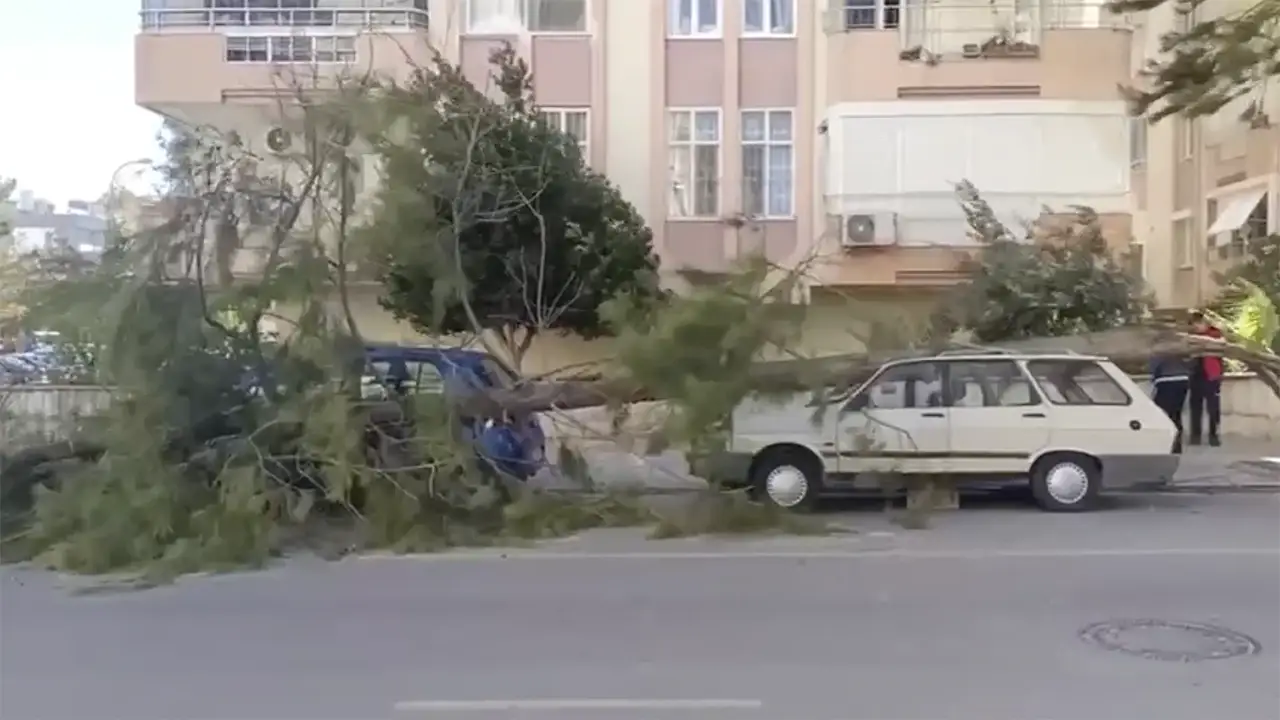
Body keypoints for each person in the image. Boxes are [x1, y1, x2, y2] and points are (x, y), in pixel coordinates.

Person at [1187, 310, 1224, 446]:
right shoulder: (1190, 337)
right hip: (1195, 373)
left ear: (1204, 322)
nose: (1196, 326)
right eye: (1194, 324)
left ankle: (1213, 435)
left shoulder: (1214, 334)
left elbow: (1221, 349)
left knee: (1213, 408)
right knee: (1195, 406)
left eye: (1198, 323)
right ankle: (1195, 435)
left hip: (1211, 375)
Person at [1149, 351, 1190, 453]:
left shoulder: (1159, 345)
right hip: (1182, 378)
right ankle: (1177, 445)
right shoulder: (1178, 343)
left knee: (1161, 413)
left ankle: (1166, 444)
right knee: (1176, 413)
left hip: (1165, 379)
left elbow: (1154, 364)